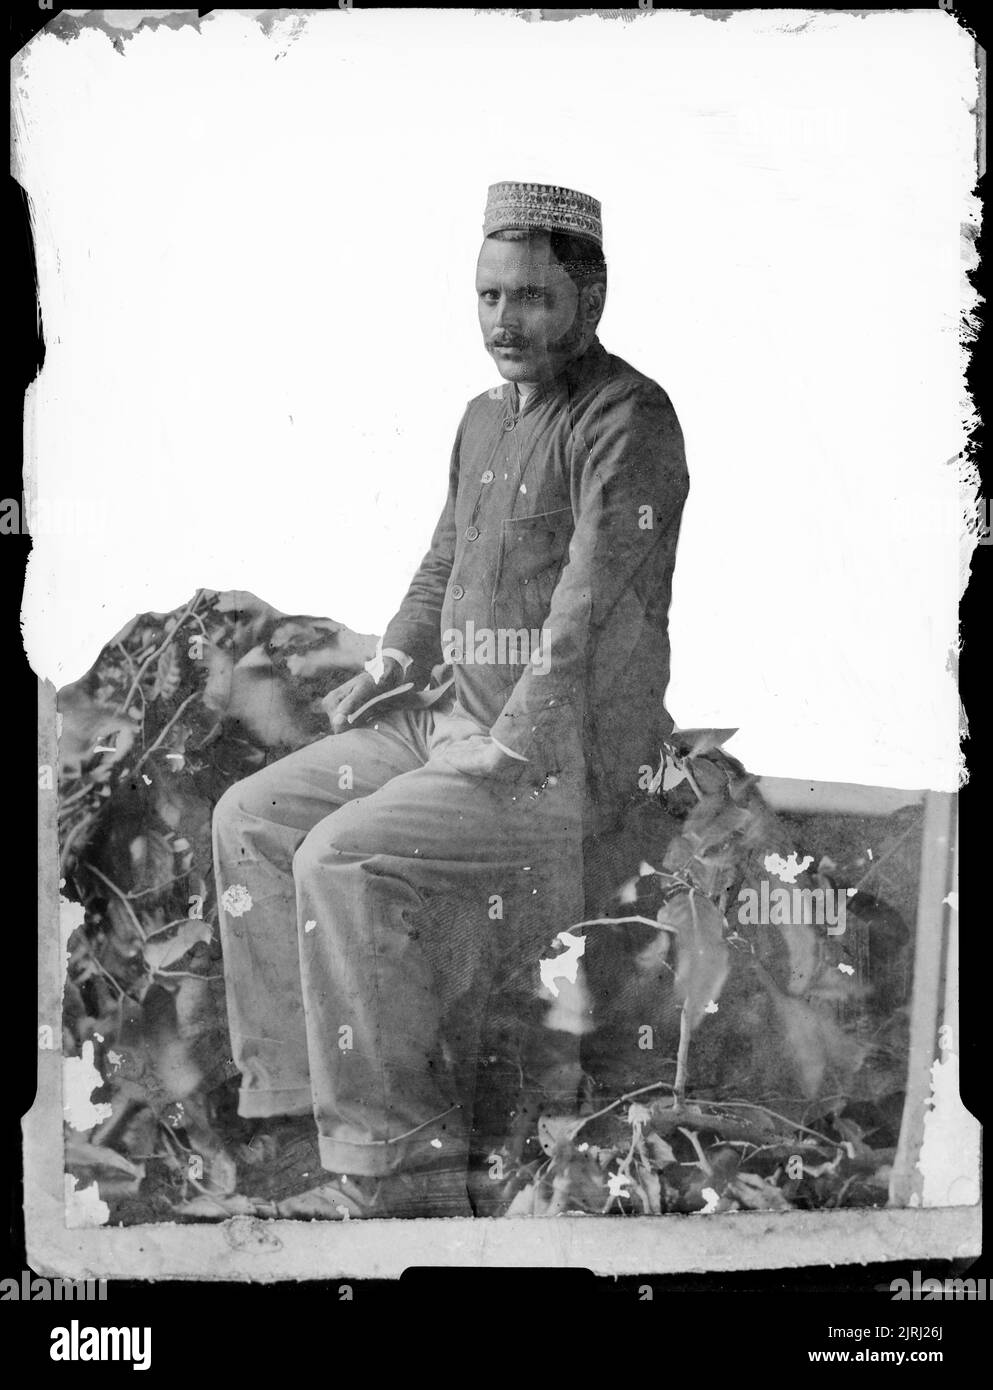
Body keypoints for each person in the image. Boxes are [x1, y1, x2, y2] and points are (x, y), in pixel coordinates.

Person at [212, 181, 689, 1218]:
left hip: (557, 763)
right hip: (441, 722)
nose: (503, 322)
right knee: (248, 818)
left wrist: (511, 743)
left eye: (529, 297)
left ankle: (396, 1171)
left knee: (339, 854)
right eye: (486, 297)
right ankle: (306, 1129)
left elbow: (590, 614)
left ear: (591, 299)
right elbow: (443, 564)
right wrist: (392, 658)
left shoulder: (630, 421)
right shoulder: (481, 419)